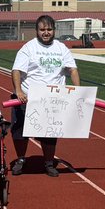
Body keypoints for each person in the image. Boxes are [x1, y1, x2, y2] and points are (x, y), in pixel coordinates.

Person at [10, 14, 80, 177]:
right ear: (37, 31)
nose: (46, 32)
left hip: (52, 99)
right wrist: (19, 91)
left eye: (49, 29)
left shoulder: (61, 48)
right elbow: (16, 71)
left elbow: (73, 70)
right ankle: (21, 160)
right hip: (28, 97)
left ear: (54, 30)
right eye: (42, 30)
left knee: (49, 132)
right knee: (20, 131)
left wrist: (78, 90)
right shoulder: (28, 48)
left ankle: (48, 163)